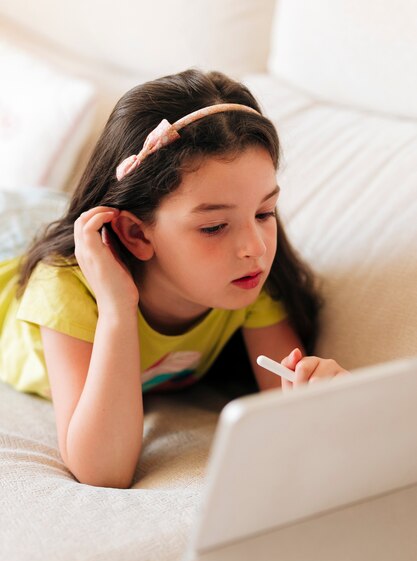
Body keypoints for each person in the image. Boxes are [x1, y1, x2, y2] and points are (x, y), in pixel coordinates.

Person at [0, 69, 322, 488]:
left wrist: (328, 401)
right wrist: (117, 309)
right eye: (214, 227)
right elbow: (103, 470)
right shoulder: (67, 290)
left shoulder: (249, 279)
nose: (256, 247)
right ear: (136, 232)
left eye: (264, 214)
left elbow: (292, 416)